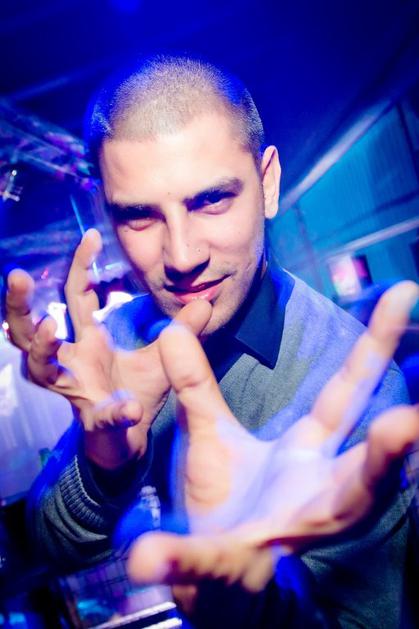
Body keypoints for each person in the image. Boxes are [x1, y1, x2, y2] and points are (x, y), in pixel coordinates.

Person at [4, 55, 419, 627]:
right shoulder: (121, 335)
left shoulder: (351, 386)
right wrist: (105, 462)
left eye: (211, 199)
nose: (181, 257)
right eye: (140, 215)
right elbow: (52, 546)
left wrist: (242, 605)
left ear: (267, 184)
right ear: (104, 211)